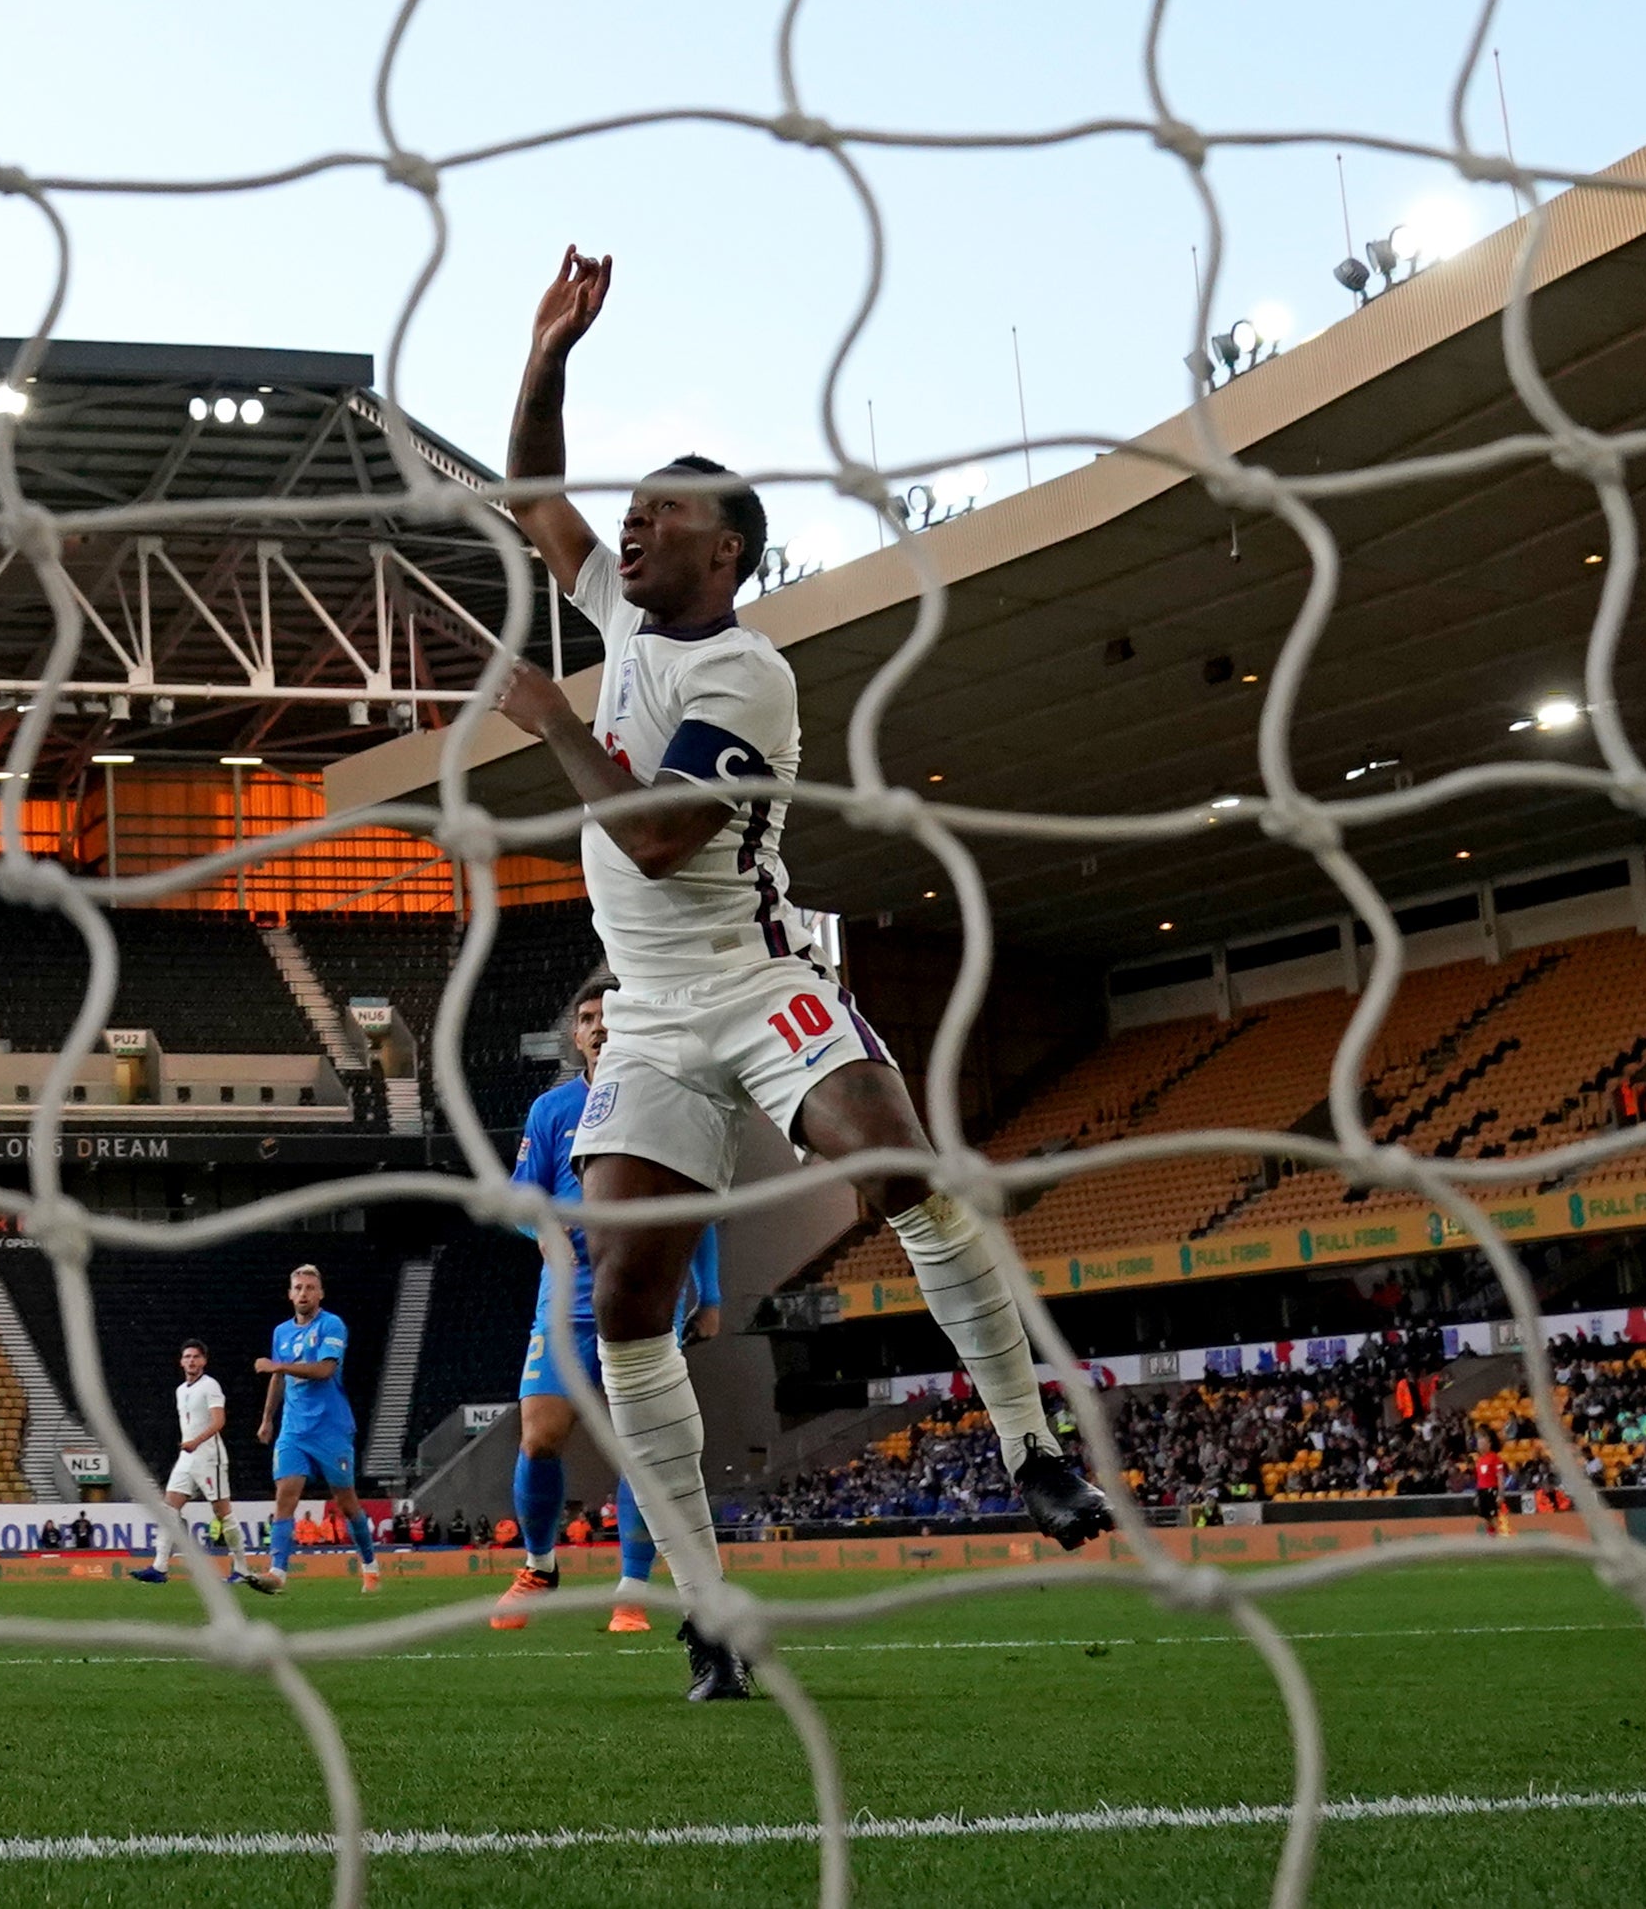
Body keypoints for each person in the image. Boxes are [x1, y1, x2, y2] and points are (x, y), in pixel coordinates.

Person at [494, 248, 1107, 1706]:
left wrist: (548, 721)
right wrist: (545, 354)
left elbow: (650, 837)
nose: (627, 526)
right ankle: (707, 1607)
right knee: (629, 1299)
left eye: (662, 516)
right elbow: (530, 496)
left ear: (728, 557)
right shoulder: (627, 617)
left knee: (894, 1164)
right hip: (643, 1022)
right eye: (630, 510)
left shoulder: (749, 674)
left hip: (752, 979)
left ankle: (1027, 1439)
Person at [494, 971, 727, 1635]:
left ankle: (632, 1589)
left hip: (646, 1292)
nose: (599, 1024)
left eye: (610, 1014)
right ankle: (540, 1566)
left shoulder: (668, 1100)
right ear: (575, 1034)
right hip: (566, 1297)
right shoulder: (551, 1110)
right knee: (539, 1437)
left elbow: (698, 1208)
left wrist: (709, 1293)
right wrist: (544, 1236)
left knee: (642, 1446)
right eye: (588, 1015)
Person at [241, 1263, 378, 1595]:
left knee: (346, 1502)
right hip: (293, 1429)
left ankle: (370, 1566)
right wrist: (267, 1418)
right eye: (298, 1288)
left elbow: (325, 1370)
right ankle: (277, 1572)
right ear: (290, 1294)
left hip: (331, 1427)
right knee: (284, 1499)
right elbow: (278, 1378)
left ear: (320, 1294)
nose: (303, 1293)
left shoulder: (332, 1324)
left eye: (309, 1288)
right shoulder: (281, 1332)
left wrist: (280, 1366)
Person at [127, 1340, 234, 1583]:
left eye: (196, 1356)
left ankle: (241, 1568)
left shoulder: (211, 1386)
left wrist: (196, 1441)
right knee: (168, 1508)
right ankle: (160, 1567)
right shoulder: (180, 1390)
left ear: (204, 1361)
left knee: (222, 1512)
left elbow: (219, 1422)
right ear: (181, 1361)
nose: (191, 1361)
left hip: (208, 1456)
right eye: (187, 1357)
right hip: (187, 1457)